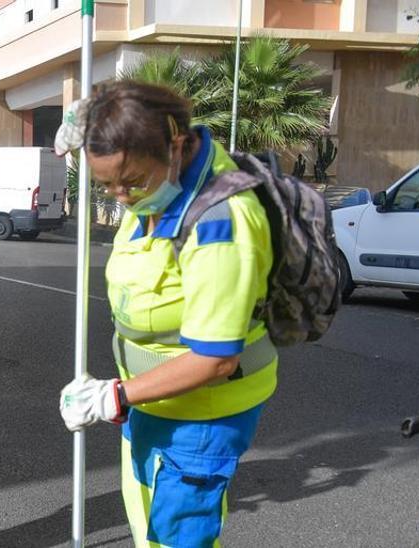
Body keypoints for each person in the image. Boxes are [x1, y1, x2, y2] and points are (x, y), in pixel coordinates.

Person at [56, 81, 277, 547]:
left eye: (131, 180)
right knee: (146, 530)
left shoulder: (221, 223)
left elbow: (216, 360)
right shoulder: (157, 180)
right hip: (150, 405)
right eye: (106, 184)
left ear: (175, 146)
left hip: (202, 419)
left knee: (175, 539)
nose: (120, 195)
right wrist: (92, 119)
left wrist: (114, 397)